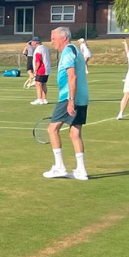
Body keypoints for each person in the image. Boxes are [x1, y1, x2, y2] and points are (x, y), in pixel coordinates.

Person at [44, 26, 90, 181]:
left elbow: (73, 77)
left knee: (52, 129)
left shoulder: (67, 52)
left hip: (68, 97)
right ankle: (81, 170)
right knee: (75, 133)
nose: (51, 41)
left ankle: (59, 167)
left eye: (53, 37)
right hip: (82, 97)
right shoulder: (76, 50)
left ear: (63, 38)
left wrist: (70, 101)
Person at [30, 37, 50, 105]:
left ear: (35, 42)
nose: (31, 43)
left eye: (32, 42)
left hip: (41, 69)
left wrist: (35, 70)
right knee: (43, 83)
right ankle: (44, 99)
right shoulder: (44, 47)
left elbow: (38, 61)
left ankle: (39, 99)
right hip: (47, 69)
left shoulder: (38, 50)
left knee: (38, 84)